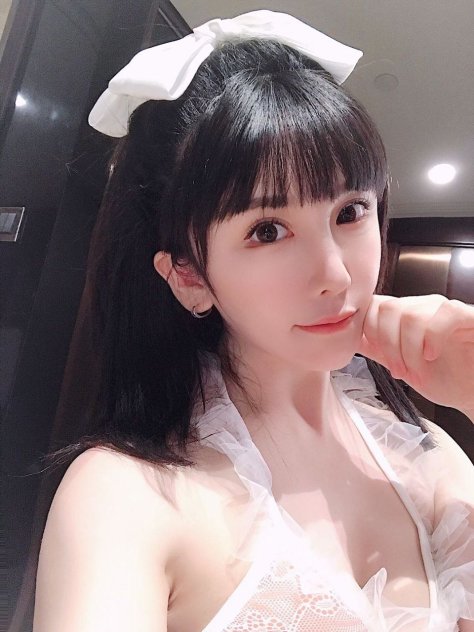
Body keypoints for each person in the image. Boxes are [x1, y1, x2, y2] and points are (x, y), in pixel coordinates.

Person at [32, 10, 474, 632]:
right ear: (189, 275)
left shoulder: (428, 455)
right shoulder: (126, 496)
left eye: (350, 212)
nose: (336, 274)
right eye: (268, 230)